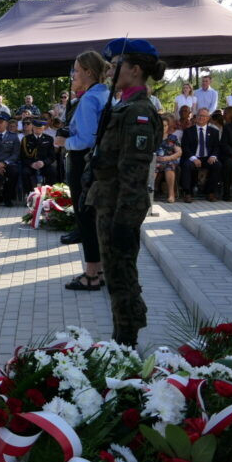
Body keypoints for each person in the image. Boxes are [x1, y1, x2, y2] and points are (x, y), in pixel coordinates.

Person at [84, 38, 165, 347]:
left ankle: (127, 339)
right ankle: (121, 334)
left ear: (135, 69)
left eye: (116, 66)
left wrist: (124, 221)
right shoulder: (123, 105)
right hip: (109, 199)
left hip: (121, 204)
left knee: (121, 275)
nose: (110, 71)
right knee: (116, 274)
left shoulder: (139, 111)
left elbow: (133, 171)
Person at [56, 50, 109, 292]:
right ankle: (98, 270)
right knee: (92, 217)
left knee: (85, 217)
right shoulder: (104, 94)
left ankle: (91, 274)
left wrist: (63, 142)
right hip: (96, 163)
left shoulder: (89, 99)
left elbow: (87, 139)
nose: (73, 75)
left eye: (76, 70)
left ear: (88, 72)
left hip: (82, 161)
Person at [180, 108, 222, 203]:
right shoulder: (188, 131)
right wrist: (194, 158)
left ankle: (210, 192)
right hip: (193, 157)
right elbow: (185, 147)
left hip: (208, 158)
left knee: (217, 165)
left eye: (204, 116)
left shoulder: (214, 131)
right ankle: (187, 193)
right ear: (195, 117)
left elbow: (217, 147)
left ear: (208, 118)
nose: (201, 118)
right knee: (186, 165)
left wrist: (213, 156)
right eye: (199, 115)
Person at [19, 119, 58, 188]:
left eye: (40, 128)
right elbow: (22, 156)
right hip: (31, 165)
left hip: (44, 165)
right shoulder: (26, 139)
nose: (38, 130)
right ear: (33, 128)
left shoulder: (49, 139)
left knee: (52, 171)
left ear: (43, 128)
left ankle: (49, 193)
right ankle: (29, 194)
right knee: (24, 173)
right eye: (36, 128)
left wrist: (44, 163)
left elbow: (52, 156)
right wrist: (31, 164)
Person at [153, 115, 182, 202]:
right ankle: (149, 194)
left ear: (168, 126)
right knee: (153, 167)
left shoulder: (172, 138)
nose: (163, 127)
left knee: (169, 168)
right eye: (161, 125)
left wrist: (168, 158)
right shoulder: (153, 137)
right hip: (155, 160)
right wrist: (154, 157)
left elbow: (179, 152)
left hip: (168, 160)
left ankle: (171, 195)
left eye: (165, 125)